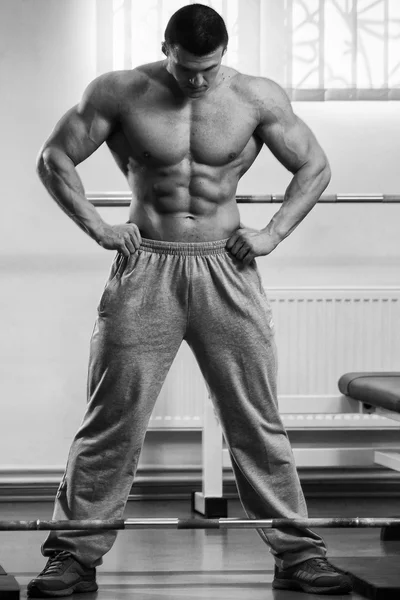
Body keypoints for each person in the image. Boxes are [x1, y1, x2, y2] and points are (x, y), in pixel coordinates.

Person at [28, 3, 352, 597]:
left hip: (227, 267)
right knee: (113, 416)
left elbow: (314, 166)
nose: (196, 81)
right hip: (146, 264)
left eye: (207, 69)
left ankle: (299, 554)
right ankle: (72, 554)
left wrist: (274, 232)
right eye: (185, 69)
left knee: (254, 415)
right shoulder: (120, 91)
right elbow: (54, 158)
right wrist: (98, 226)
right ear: (165, 49)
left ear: (223, 55)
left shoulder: (256, 98)